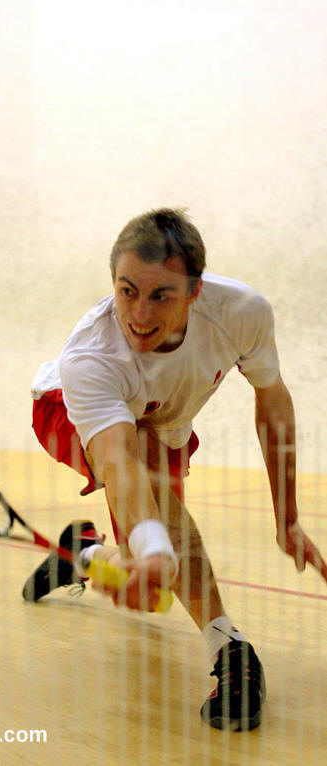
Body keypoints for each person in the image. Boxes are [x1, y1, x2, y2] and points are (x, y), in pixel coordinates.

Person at [22, 207, 327, 731]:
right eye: (126, 292)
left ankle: (84, 554)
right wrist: (159, 551)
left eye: (161, 295)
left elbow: (273, 402)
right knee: (156, 519)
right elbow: (119, 459)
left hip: (162, 418)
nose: (139, 314)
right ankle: (229, 648)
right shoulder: (92, 357)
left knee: (147, 551)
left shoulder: (242, 312)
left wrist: (289, 517)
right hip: (62, 411)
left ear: (194, 291)